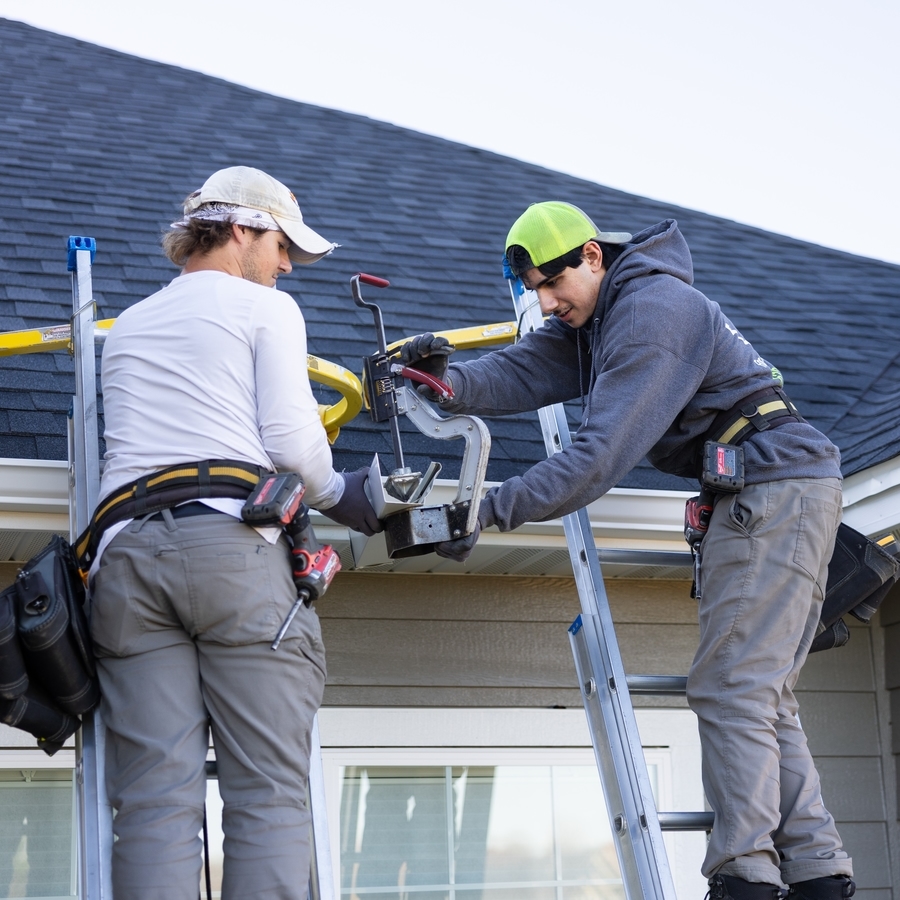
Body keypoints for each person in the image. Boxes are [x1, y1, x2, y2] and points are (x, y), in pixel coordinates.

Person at [401, 201, 855, 900]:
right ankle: (818, 873)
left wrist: (485, 509)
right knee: (762, 696)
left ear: (592, 256)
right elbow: (525, 372)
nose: (546, 305)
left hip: (773, 489)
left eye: (553, 286)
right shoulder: (601, 312)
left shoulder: (651, 312)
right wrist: (444, 383)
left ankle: (745, 879)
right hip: (774, 489)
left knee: (730, 688)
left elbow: (597, 458)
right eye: (535, 293)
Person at [88, 165, 382, 900]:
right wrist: (346, 495)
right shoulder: (265, 310)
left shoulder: (126, 327)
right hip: (229, 547)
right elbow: (290, 437)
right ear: (242, 230)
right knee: (268, 796)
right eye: (283, 246)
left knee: (153, 803)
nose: (287, 266)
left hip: (123, 559)